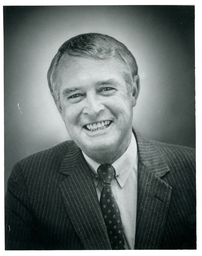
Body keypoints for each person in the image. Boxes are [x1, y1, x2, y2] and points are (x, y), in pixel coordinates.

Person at [5, 33, 196, 250]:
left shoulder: (193, 171)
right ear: (59, 105)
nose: (93, 109)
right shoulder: (29, 180)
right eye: (75, 95)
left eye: (106, 89)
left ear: (133, 91)